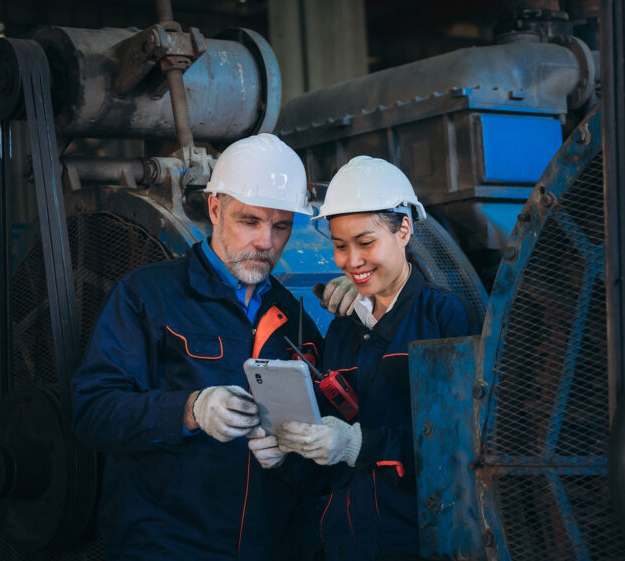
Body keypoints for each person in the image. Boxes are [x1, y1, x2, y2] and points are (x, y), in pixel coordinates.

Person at [70, 133, 355, 560]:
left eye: (280, 226)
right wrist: (190, 410)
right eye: (250, 221)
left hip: (268, 547)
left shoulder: (295, 321)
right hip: (166, 547)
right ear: (215, 208)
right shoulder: (148, 296)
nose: (265, 242)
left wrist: (373, 298)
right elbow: (92, 412)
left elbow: (323, 466)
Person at [250, 156, 476, 561]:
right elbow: (325, 470)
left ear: (404, 230)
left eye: (365, 243)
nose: (351, 261)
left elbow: (460, 446)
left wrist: (359, 444)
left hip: (420, 542)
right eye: (339, 245)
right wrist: (289, 453)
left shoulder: (445, 317)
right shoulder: (343, 329)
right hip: (344, 543)